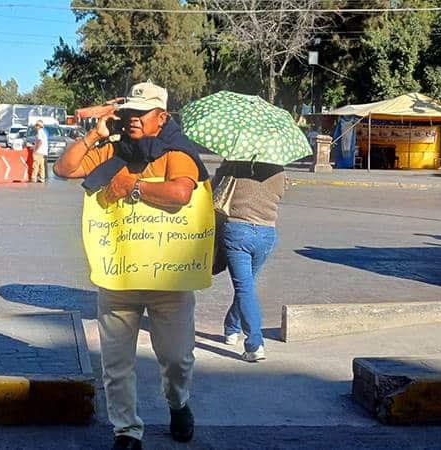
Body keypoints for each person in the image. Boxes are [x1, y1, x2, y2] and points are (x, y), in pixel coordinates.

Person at [54, 81, 210, 450]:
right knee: (116, 361)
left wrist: (133, 187)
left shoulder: (176, 151)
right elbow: (64, 168)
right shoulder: (113, 149)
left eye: (142, 113)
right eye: (130, 112)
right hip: (119, 274)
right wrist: (96, 133)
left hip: (169, 279)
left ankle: (178, 402)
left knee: (176, 358)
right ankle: (126, 429)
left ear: (162, 117)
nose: (133, 119)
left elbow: (181, 193)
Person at [212, 161, 286, 362]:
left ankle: (254, 344)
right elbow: (279, 193)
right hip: (266, 233)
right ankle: (232, 327)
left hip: (237, 230)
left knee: (244, 287)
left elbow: (214, 190)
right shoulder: (277, 169)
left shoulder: (233, 164)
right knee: (247, 285)